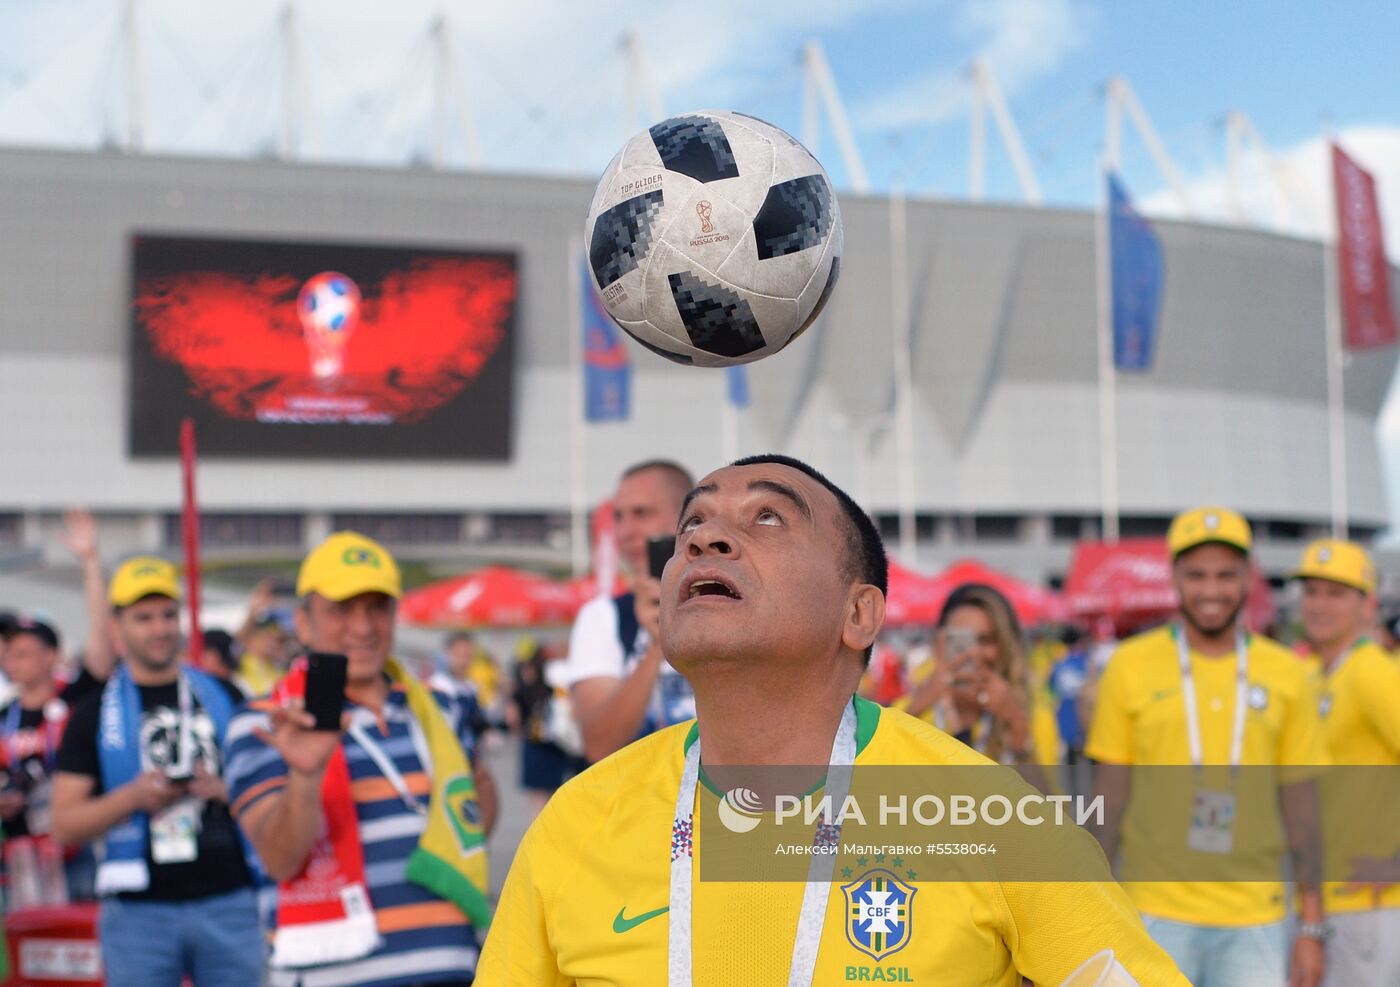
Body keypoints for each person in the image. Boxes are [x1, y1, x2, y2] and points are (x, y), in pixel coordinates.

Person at [478, 455, 1187, 985]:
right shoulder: (576, 824)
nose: (704, 540)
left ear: (859, 614)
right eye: (692, 522)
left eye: (766, 517)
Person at [225, 531, 498, 987]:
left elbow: (470, 826)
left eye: (377, 607)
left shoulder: (440, 710)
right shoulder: (264, 721)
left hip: (453, 967)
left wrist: (476, 775)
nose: (363, 627)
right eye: (341, 609)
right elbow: (278, 859)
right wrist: (306, 775)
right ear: (304, 622)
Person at [1087, 507, 1329, 987]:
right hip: (1151, 909)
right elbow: (1109, 799)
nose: (1211, 591)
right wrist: (1087, 908)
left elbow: (1302, 805)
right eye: (1196, 575)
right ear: (1174, 576)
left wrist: (1311, 924)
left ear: (1248, 579)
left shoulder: (1288, 673)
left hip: (1256, 916)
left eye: (1226, 575)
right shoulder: (1130, 665)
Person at [51, 557, 261, 987]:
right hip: (137, 912)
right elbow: (64, 824)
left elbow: (266, 789)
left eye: (168, 614)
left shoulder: (225, 693)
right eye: (143, 618)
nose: (160, 628)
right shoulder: (92, 713)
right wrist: (131, 798)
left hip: (230, 900)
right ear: (118, 627)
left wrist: (226, 790)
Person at [1291, 539, 1400, 985]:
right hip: (1323, 901)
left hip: (1370, 902)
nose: (1319, 605)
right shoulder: (1314, 675)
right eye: (1312, 591)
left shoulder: (1371, 671)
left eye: (1335, 593)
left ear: (1367, 605)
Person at [560, 460, 697, 762]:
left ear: (689, 520)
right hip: (644, 804)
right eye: (618, 517)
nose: (625, 531)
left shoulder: (735, 606)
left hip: (734, 802)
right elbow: (599, 746)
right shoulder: (604, 617)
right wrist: (657, 646)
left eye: (642, 514)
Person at [897, 584, 1055, 791]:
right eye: (960, 641)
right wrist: (917, 708)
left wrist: (1017, 731)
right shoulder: (906, 712)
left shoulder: (1033, 716)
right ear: (938, 643)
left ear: (1006, 645)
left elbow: (1050, 813)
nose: (973, 654)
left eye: (985, 640)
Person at [0, 616, 107, 899]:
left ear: (51, 656)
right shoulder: (4, 717)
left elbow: (101, 658)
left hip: (79, 847)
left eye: (23, 654)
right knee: (30, 938)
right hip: (23, 851)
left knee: (84, 936)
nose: (13, 662)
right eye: (9, 655)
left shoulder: (78, 699)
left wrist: (91, 570)